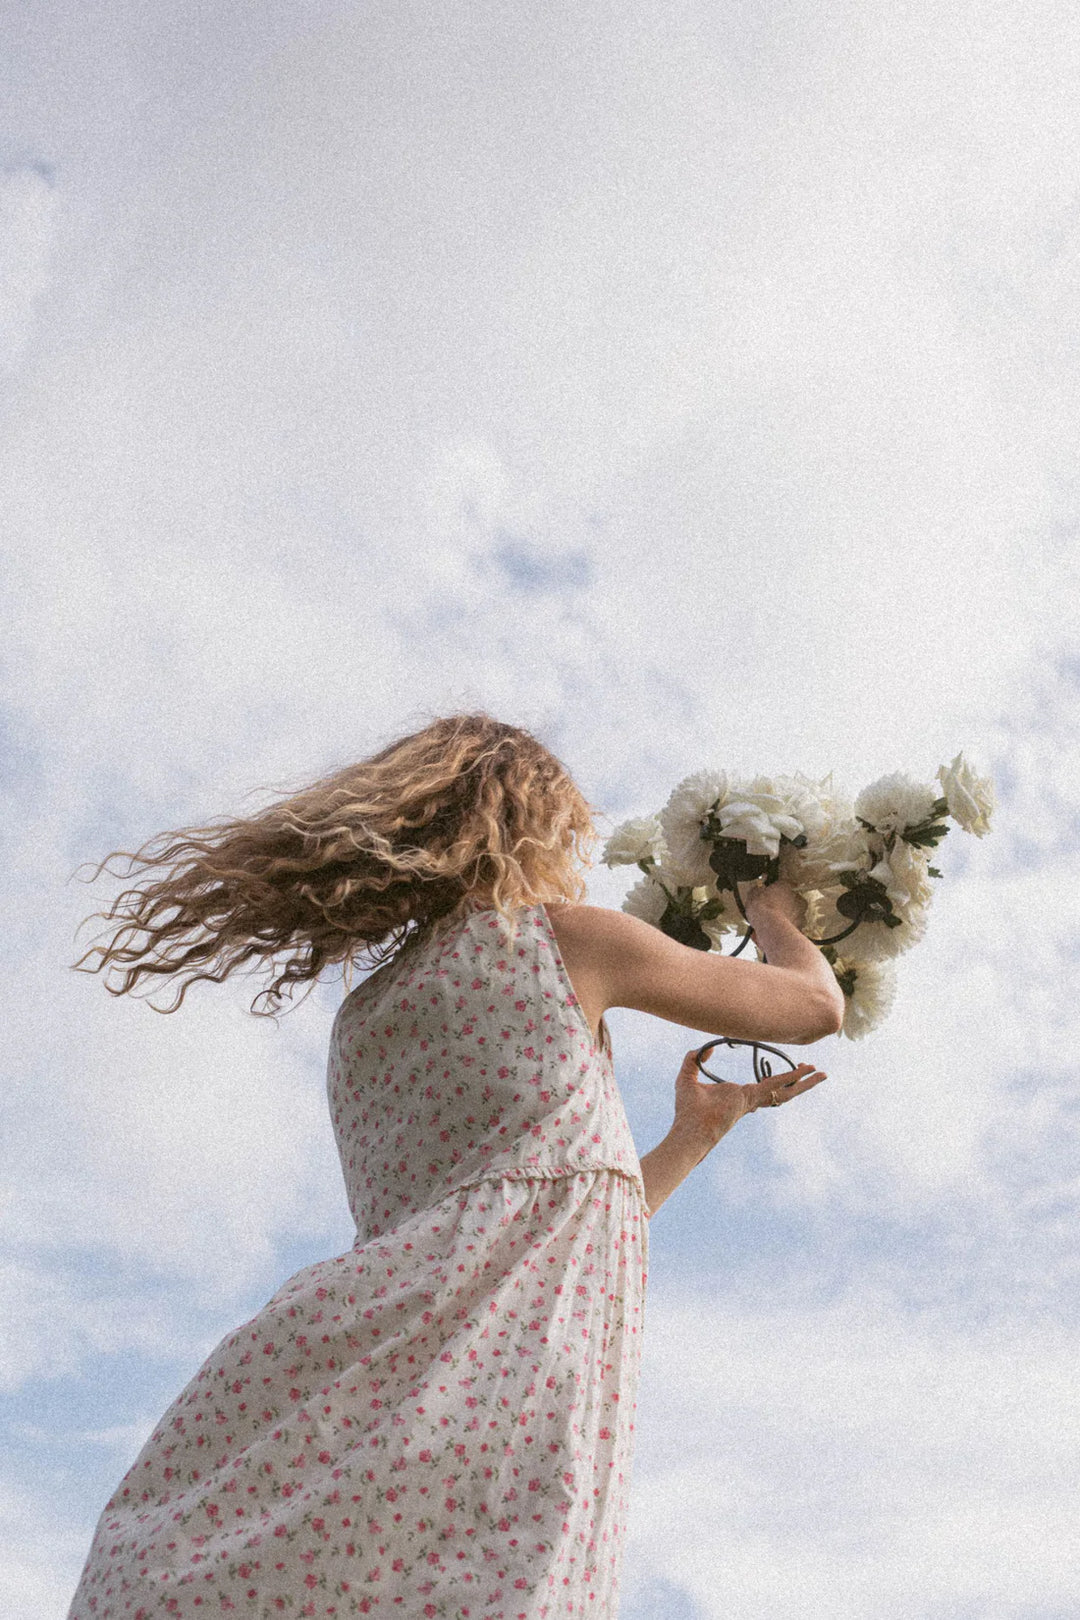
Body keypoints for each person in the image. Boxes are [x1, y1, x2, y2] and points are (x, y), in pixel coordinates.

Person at [66, 713, 841, 1618]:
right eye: (568, 839)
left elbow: (540, 1218)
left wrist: (693, 1137)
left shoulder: (361, 1026)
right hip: (497, 1401)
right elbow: (813, 1005)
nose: (576, 863)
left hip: (371, 1375)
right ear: (528, 831)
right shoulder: (567, 940)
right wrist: (772, 911)